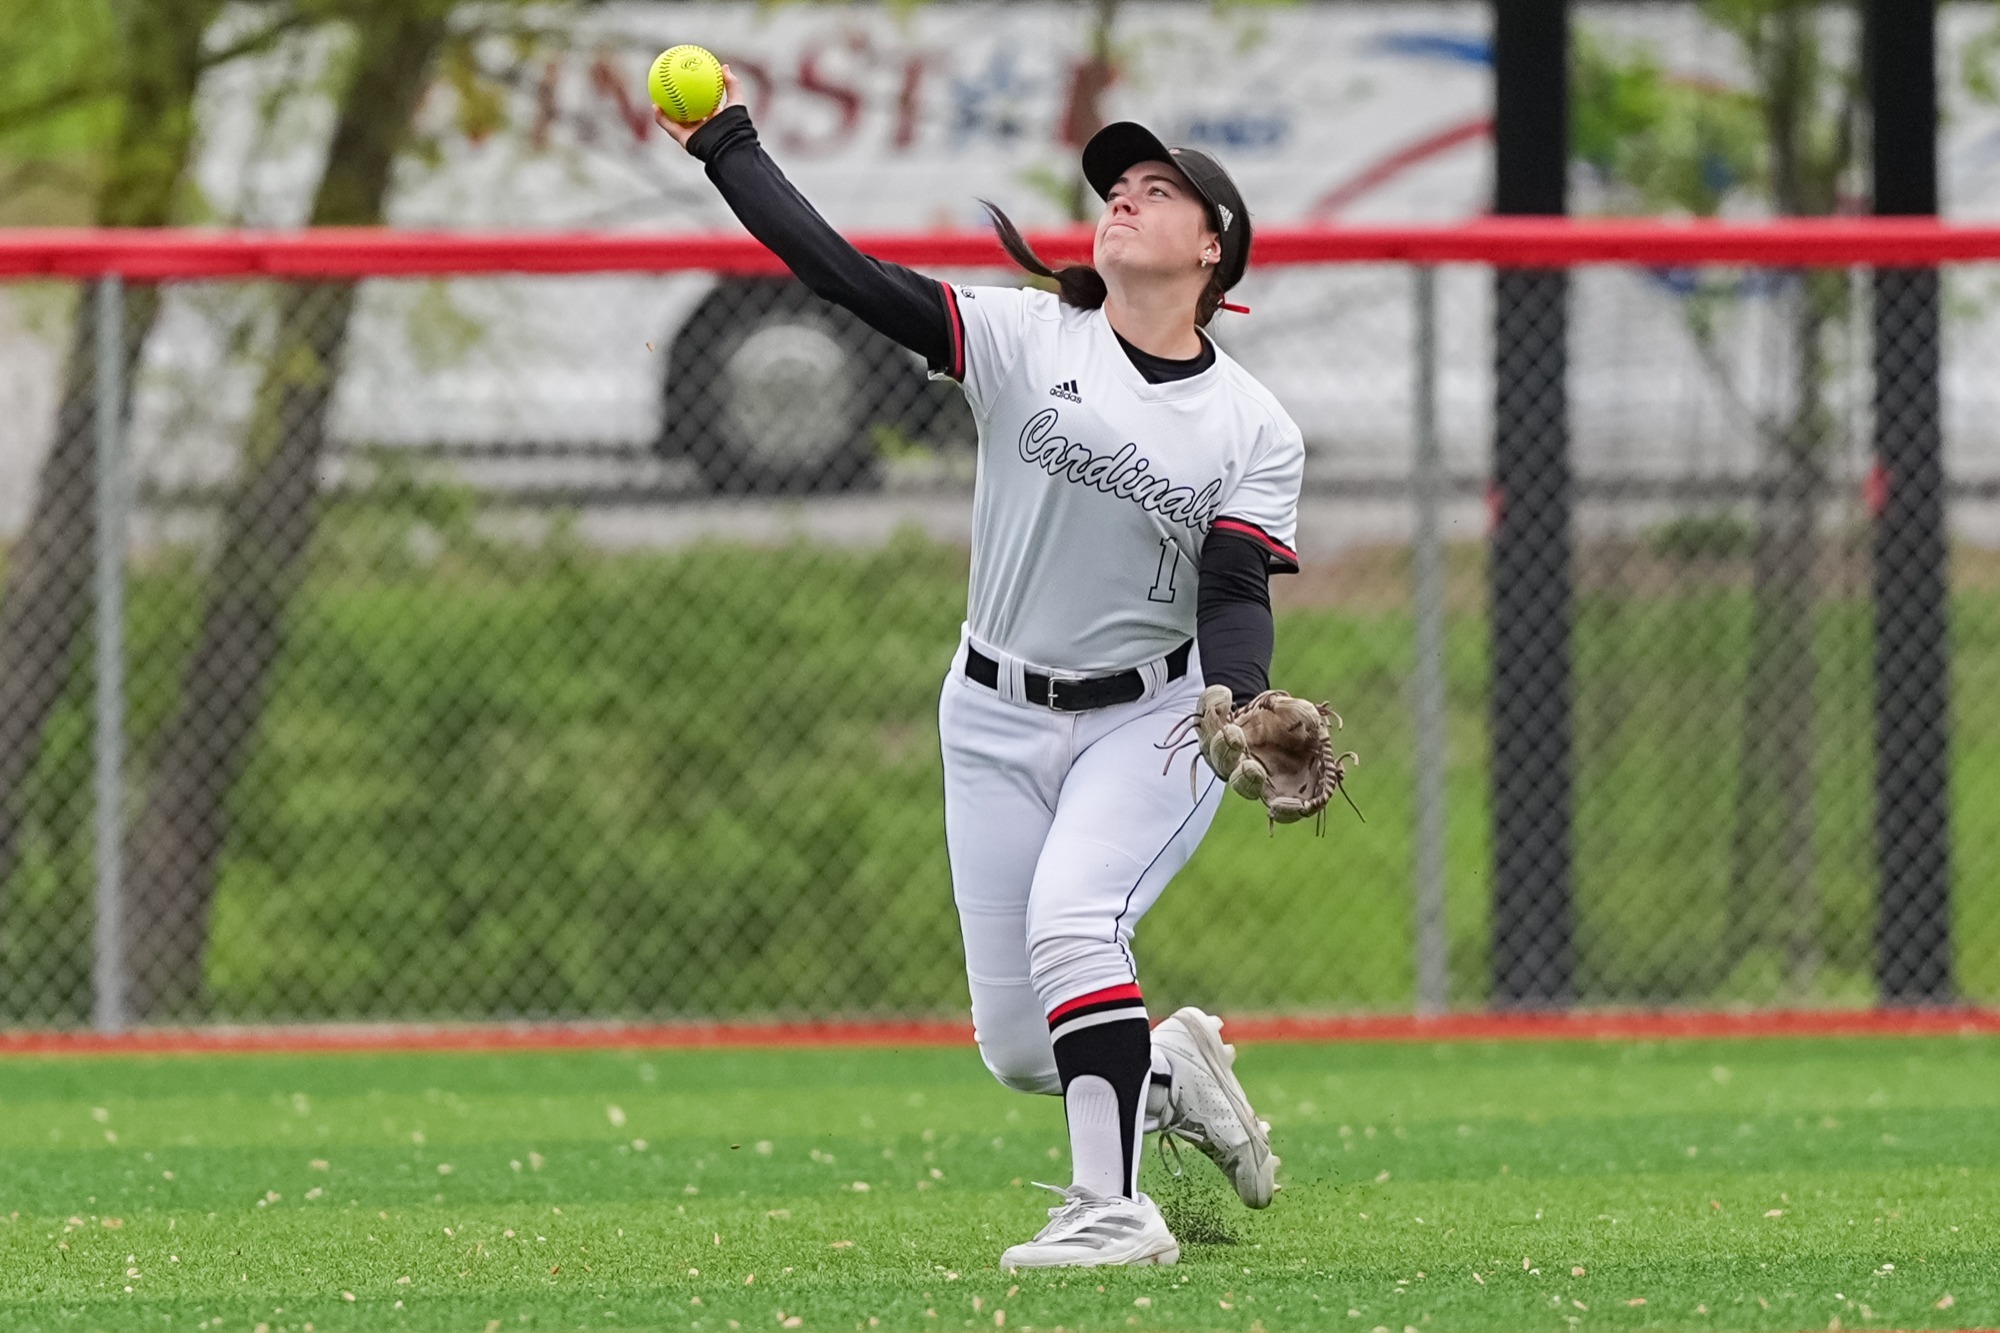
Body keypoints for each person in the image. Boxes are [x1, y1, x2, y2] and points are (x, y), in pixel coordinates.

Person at [660, 71, 1304, 1272]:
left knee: (1074, 927)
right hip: (992, 713)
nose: (1119, 197)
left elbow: (1230, 586)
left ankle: (1114, 1214)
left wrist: (1245, 699)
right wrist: (727, 147)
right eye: (1113, 184)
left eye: (1155, 189)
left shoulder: (1252, 426)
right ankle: (1172, 1069)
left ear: (1212, 247)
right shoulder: (1022, 338)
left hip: (1154, 722)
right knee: (1020, 1045)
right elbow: (842, 276)